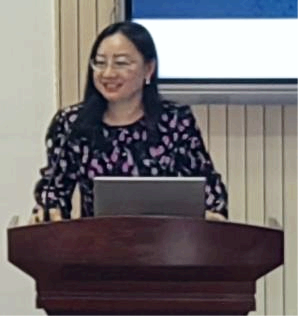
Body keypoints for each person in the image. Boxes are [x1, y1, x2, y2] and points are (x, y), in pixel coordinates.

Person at [31, 20, 228, 222]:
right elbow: (53, 191)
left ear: (148, 69)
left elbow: (209, 190)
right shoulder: (71, 123)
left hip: (166, 239)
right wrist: (47, 212)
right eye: (100, 63)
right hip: (97, 240)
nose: (108, 73)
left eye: (121, 63)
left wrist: (212, 215)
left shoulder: (175, 121)